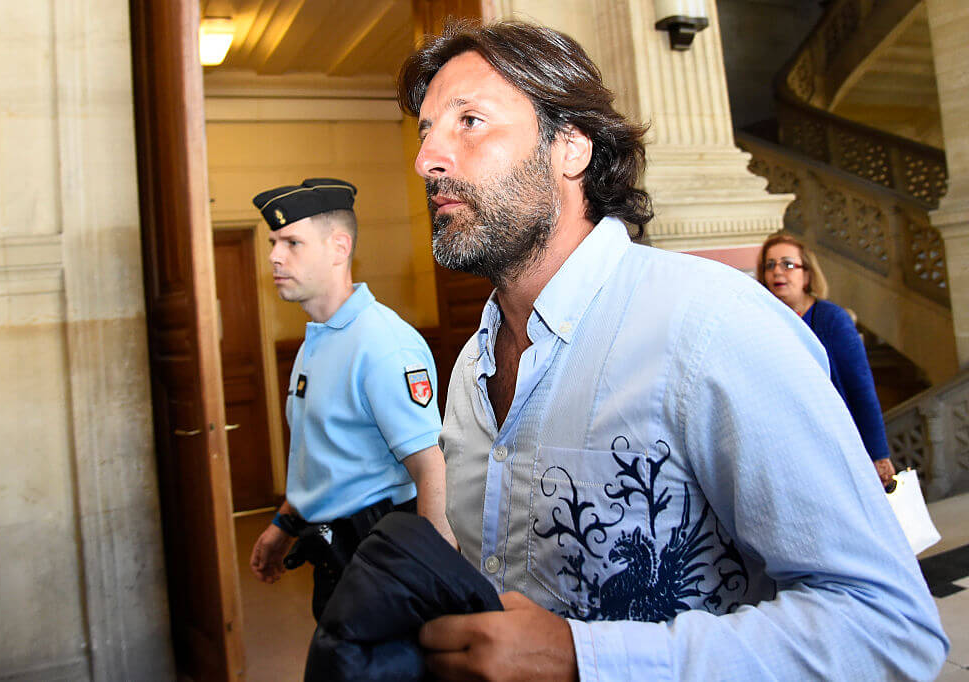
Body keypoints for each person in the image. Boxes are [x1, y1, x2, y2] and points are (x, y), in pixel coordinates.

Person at [397, 20, 947, 681]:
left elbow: (887, 626)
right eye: (426, 129)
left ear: (570, 147)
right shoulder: (468, 374)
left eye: (469, 121)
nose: (429, 158)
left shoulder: (715, 328)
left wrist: (584, 659)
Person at [248, 177, 456, 619]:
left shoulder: (381, 344)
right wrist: (284, 525)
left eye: (291, 242)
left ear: (339, 248)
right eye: (273, 242)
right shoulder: (316, 342)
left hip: (375, 549)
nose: (274, 256)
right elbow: (326, 456)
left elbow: (430, 464)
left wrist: (429, 573)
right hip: (331, 551)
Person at [758, 232, 897, 489]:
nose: (778, 272)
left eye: (788, 264)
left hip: (836, 444)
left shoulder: (831, 319)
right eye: (770, 265)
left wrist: (878, 454)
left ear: (807, 274)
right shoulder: (762, 321)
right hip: (789, 450)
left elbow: (860, 388)